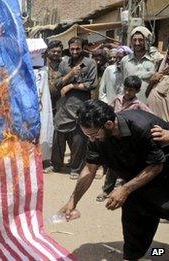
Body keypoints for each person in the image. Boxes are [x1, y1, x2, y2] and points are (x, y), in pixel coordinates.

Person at [60, 100, 169, 260]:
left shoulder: (142, 126)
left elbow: (156, 166)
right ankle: (134, 256)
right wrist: (73, 200)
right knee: (134, 222)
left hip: (164, 179)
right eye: (87, 135)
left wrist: (124, 189)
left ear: (109, 124)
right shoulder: (96, 138)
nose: (91, 139)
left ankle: (163, 254)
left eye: (93, 134)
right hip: (136, 183)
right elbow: (90, 169)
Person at [46, 37, 97, 179]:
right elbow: (57, 83)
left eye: (77, 48)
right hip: (63, 105)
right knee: (58, 136)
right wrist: (70, 74)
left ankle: (75, 168)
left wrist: (71, 85)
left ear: (82, 48)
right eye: (72, 49)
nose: (75, 51)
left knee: (78, 139)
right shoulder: (64, 63)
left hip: (80, 105)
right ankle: (56, 164)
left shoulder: (90, 63)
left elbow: (91, 84)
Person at [96, 76, 152, 202]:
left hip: (129, 141)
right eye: (126, 89)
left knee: (129, 167)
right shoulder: (117, 100)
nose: (127, 93)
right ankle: (106, 190)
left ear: (137, 91)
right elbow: (107, 111)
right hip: (114, 137)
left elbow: (150, 117)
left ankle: (126, 191)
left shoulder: (139, 105)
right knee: (112, 165)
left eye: (131, 90)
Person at [121, 26, 162, 103]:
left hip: (149, 103)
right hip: (129, 104)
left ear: (146, 41)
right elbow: (122, 83)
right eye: (134, 40)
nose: (137, 43)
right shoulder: (125, 60)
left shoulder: (155, 60)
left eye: (141, 40)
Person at [45, 40, 63, 115]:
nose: (56, 53)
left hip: (60, 102)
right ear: (48, 50)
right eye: (53, 51)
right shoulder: (42, 63)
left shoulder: (65, 63)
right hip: (44, 100)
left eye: (59, 52)